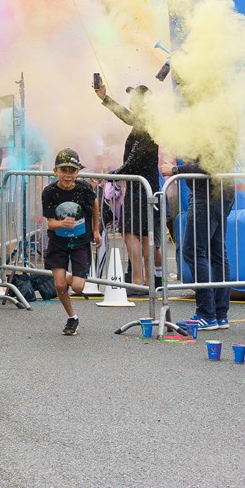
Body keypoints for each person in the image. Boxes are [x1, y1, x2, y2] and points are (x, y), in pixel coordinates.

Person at [93, 82, 161, 292]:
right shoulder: (145, 123)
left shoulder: (146, 128)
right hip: (144, 187)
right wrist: (105, 98)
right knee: (145, 233)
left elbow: (133, 162)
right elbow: (125, 115)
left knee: (134, 233)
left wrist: (110, 176)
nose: (131, 104)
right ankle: (146, 280)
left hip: (141, 189)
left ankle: (139, 281)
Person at [170, 155, 234, 333]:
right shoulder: (226, 131)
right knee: (217, 254)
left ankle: (207, 314)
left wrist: (177, 170)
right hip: (219, 194)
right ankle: (219, 314)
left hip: (207, 196)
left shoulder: (210, 130)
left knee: (193, 251)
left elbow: (212, 163)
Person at [41, 149, 102, 336]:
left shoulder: (84, 189)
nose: (68, 175)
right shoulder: (50, 192)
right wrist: (61, 223)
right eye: (64, 170)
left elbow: (95, 205)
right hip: (58, 242)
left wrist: (96, 230)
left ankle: (71, 276)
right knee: (59, 286)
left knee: (77, 287)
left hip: (80, 242)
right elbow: (50, 224)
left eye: (72, 171)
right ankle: (72, 318)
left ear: (77, 172)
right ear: (55, 171)